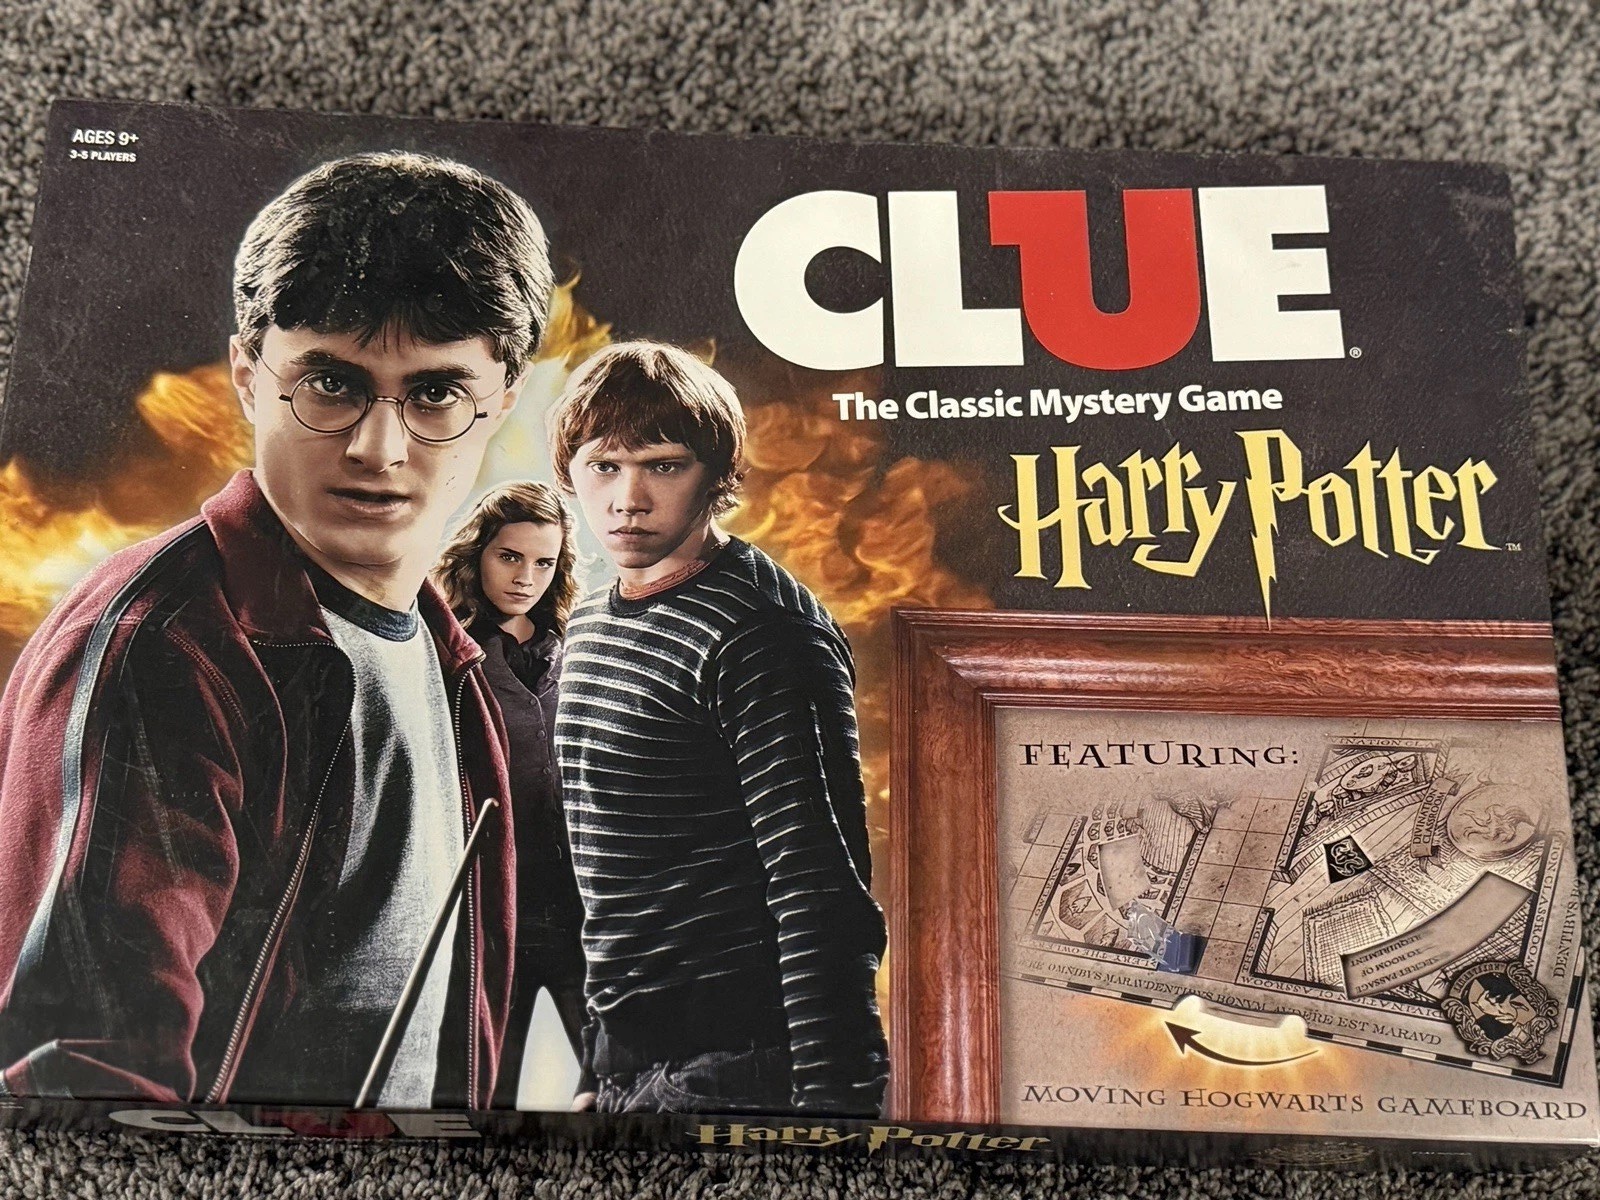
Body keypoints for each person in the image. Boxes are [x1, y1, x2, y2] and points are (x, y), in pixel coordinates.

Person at [0, 151, 555, 1108]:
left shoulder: (454, 662)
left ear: (501, 401)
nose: (379, 448)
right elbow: (83, 1086)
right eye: (331, 383)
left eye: (435, 394)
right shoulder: (168, 648)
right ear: (248, 377)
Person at [548, 341, 889, 1116]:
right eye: (604, 467)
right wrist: (597, 1071)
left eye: (663, 466)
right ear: (571, 473)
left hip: (740, 1066)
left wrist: (835, 1112)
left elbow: (818, 885)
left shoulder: (761, 632)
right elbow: (606, 866)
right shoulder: (592, 621)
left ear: (717, 476)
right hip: (627, 1065)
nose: (628, 499)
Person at [434, 482, 590, 1108]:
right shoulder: (444, 653)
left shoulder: (579, 648)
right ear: (477, 554)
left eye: (544, 562)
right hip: (492, 913)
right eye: (510, 557)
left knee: (626, 1091)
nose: (527, 577)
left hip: (585, 914)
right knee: (483, 1096)